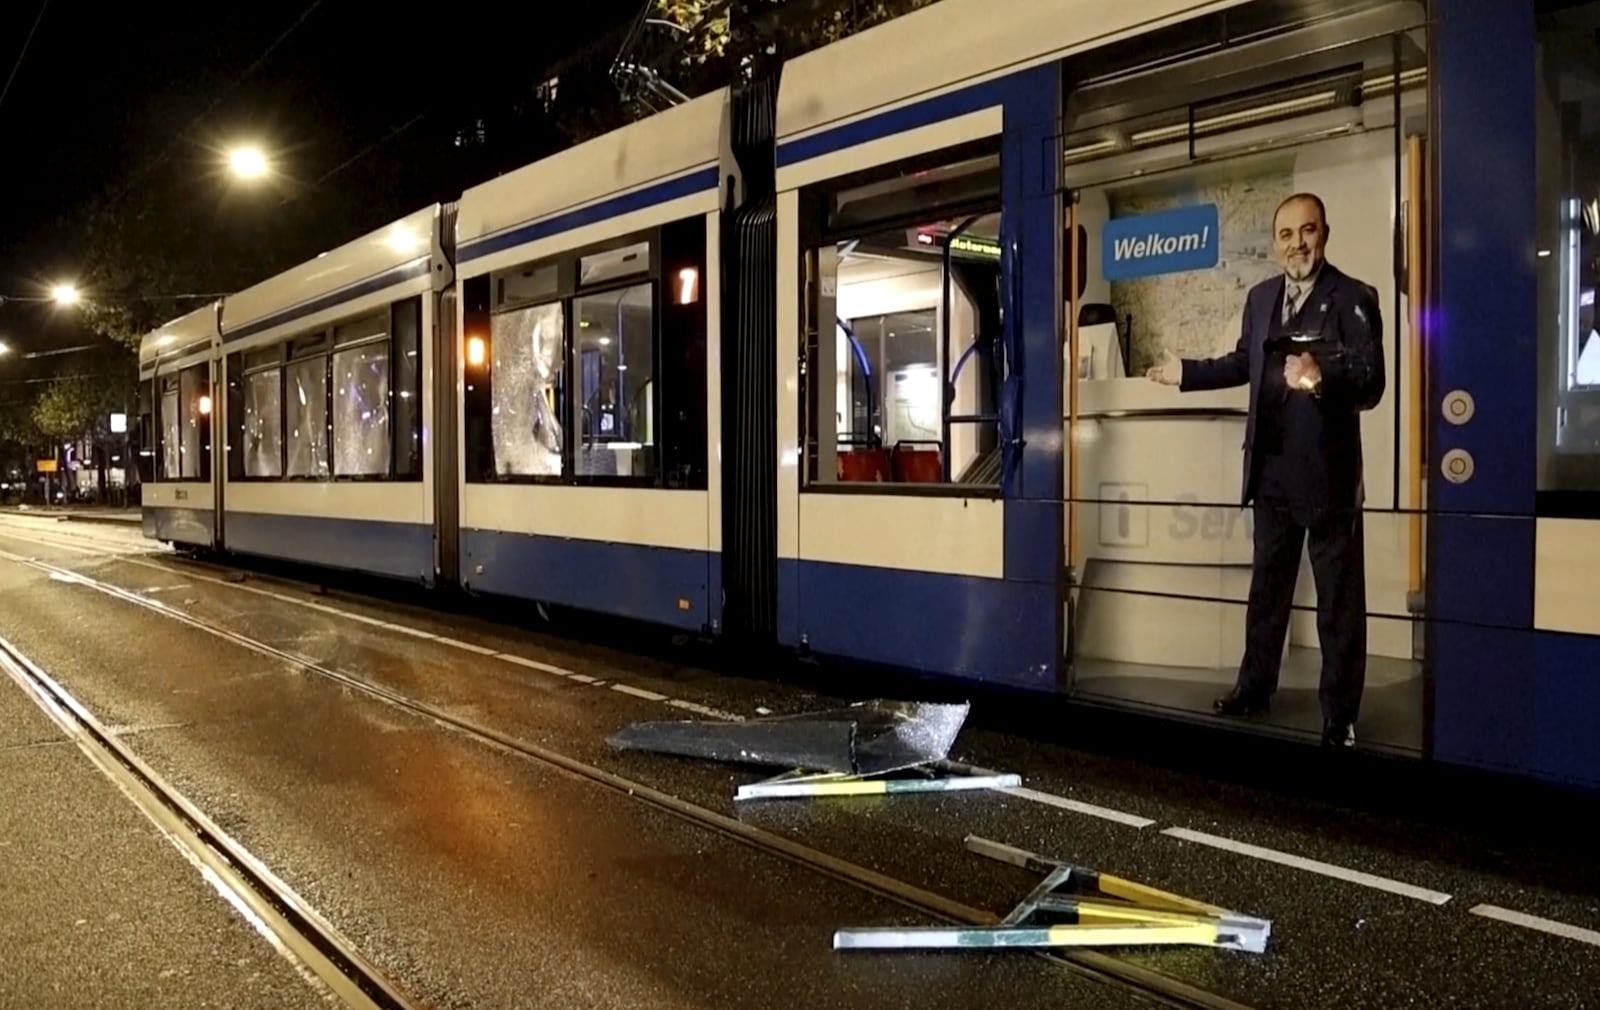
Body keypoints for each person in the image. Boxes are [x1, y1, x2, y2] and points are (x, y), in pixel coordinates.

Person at [1147, 192, 1385, 748]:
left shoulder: (1352, 297)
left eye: (1308, 231)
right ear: (1275, 242)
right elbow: (1241, 363)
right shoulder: (1259, 299)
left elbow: (1372, 382)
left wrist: (1321, 375)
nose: (1297, 243)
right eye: (1286, 234)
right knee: (1267, 592)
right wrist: (1183, 373)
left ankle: (1339, 716)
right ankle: (1254, 688)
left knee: (1338, 605)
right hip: (1271, 473)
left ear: (1324, 232)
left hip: (1327, 479)